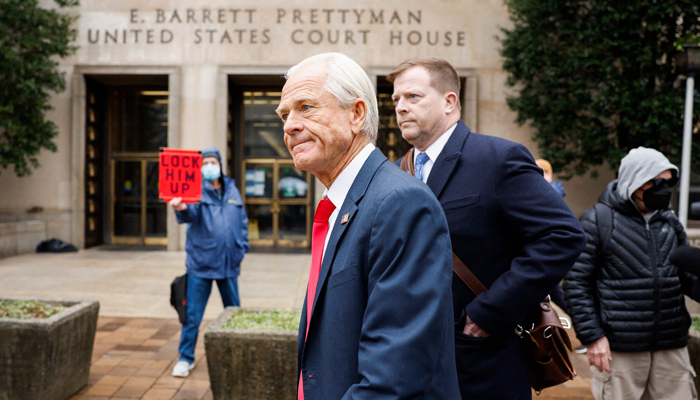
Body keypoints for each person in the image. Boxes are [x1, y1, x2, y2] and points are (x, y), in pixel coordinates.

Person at [388, 57, 586, 400]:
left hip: (483, 359)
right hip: (411, 360)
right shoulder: (395, 172)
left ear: (450, 101)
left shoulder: (497, 158)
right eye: (396, 100)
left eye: (413, 97)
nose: (401, 108)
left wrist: (487, 315)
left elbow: (563, 236)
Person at [276, 53, 460, 400]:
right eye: (285, 115)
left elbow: (394, 377)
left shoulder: (400, 202)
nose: (289, 125)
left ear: (356, 114)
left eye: (306, 107)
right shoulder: (342, 203)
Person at [564, 147, 700, 400]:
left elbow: (686, 277)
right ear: (633, 182)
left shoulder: (670, 222)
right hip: (620, 350)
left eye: (668, 182)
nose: (663, 189)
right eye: (655, 182)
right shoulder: (597, 221)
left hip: (671, 348)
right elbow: (576, 283)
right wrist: (593, 337)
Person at [169, 147, 249, 378]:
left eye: (213, 162)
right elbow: (189, 212)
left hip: (229, 263)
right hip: (201, 264)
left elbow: (241, 221)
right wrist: (181, 207)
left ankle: (239, 355)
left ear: (220, 164)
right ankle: (185, 358)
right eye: (205, 163)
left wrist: (241, 247)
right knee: (192, 316)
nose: (209, 166)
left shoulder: (232, 189)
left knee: (233, 313)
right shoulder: (194, 189)